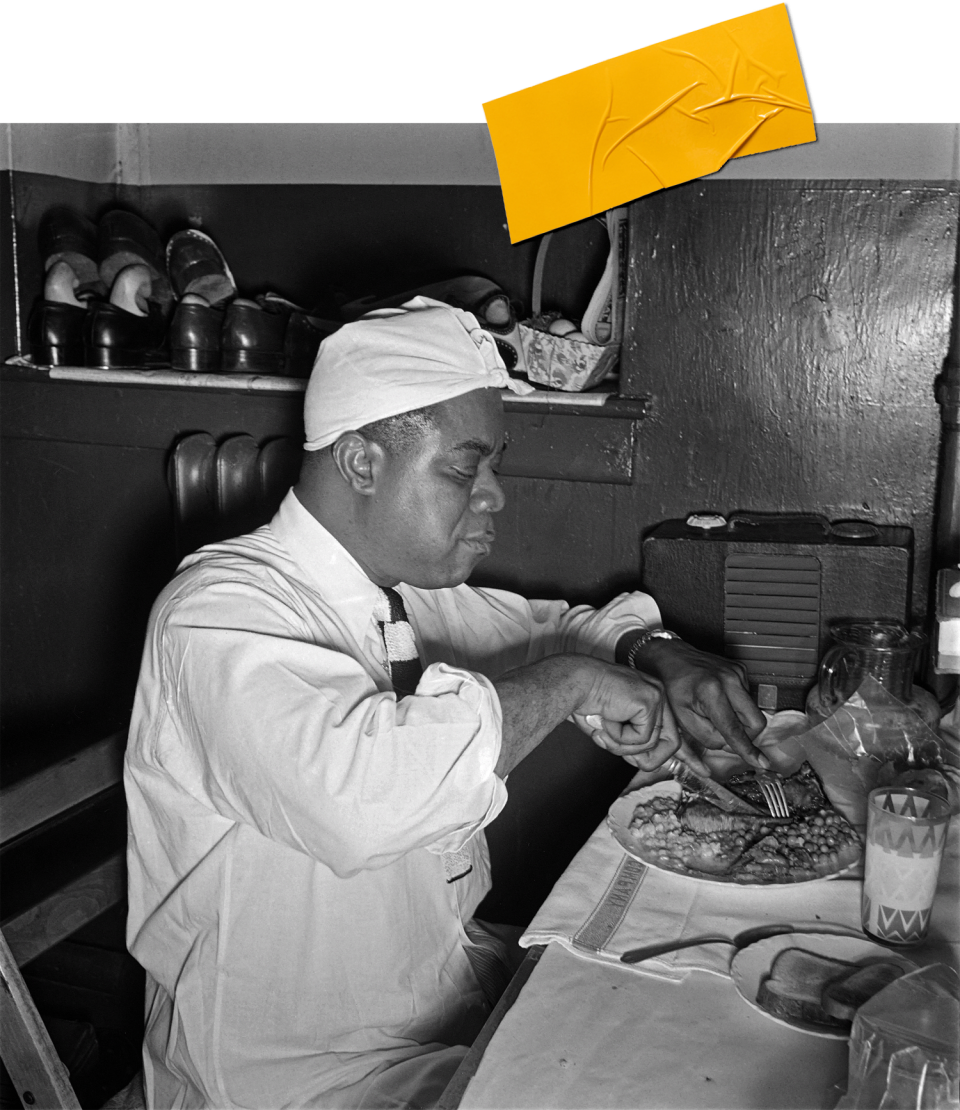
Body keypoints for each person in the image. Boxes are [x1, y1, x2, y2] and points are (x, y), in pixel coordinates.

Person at [124, 297, 768, 1109]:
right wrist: (573, 682)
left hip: (437, 1006)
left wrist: (657, 654)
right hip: (293, 1077)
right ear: (362, 462)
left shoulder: (395, 597)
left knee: (699, 1022)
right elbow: (362, 799)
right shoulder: (218, 614)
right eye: (464, 470)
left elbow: (560, 631)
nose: (493, 495)